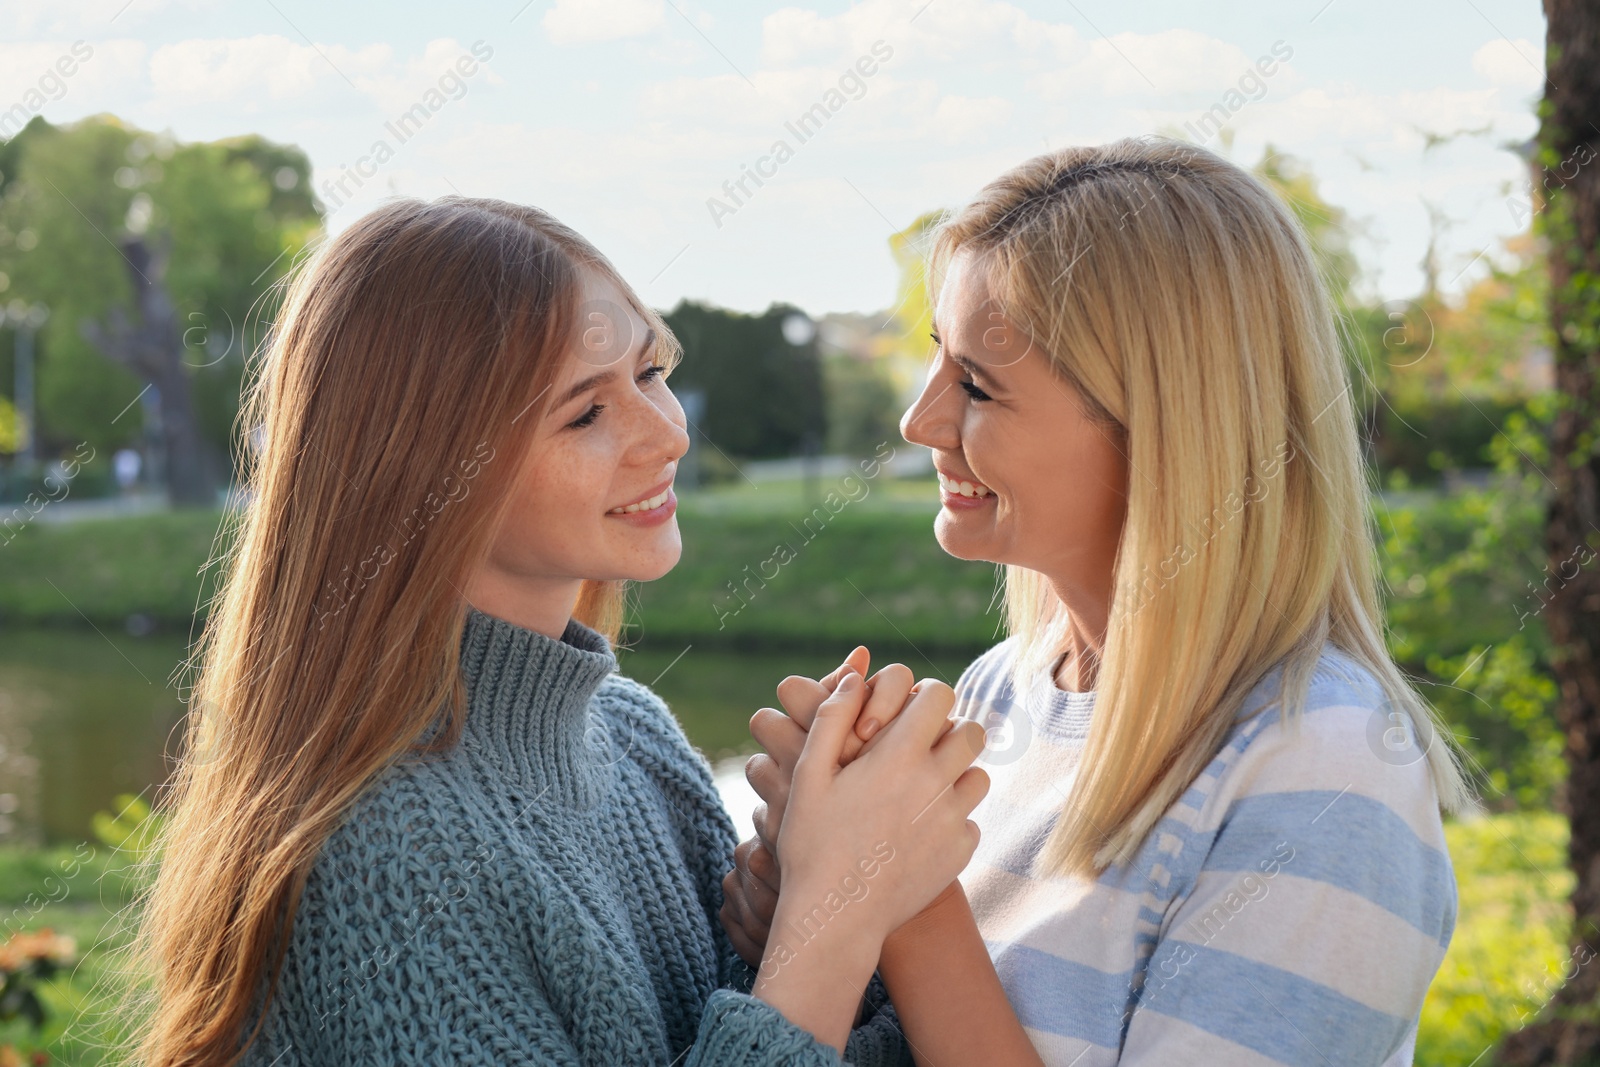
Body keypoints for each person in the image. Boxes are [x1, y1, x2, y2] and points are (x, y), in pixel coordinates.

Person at [131, 197, 988, 1066]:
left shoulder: (633, 735)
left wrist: (815, 897)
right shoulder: (388, 852)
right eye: (585, 414)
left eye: (649, 374)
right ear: (423, 472)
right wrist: (837, 908)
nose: (666, 434)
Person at [723, 137, 1474, 1066]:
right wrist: (814, 921)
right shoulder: (1003, 692)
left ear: (1163, 431)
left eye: (976, 384)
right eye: (935, 358)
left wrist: (901, 895)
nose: (918, 420)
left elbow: (944, 957)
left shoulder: (1329, 771)